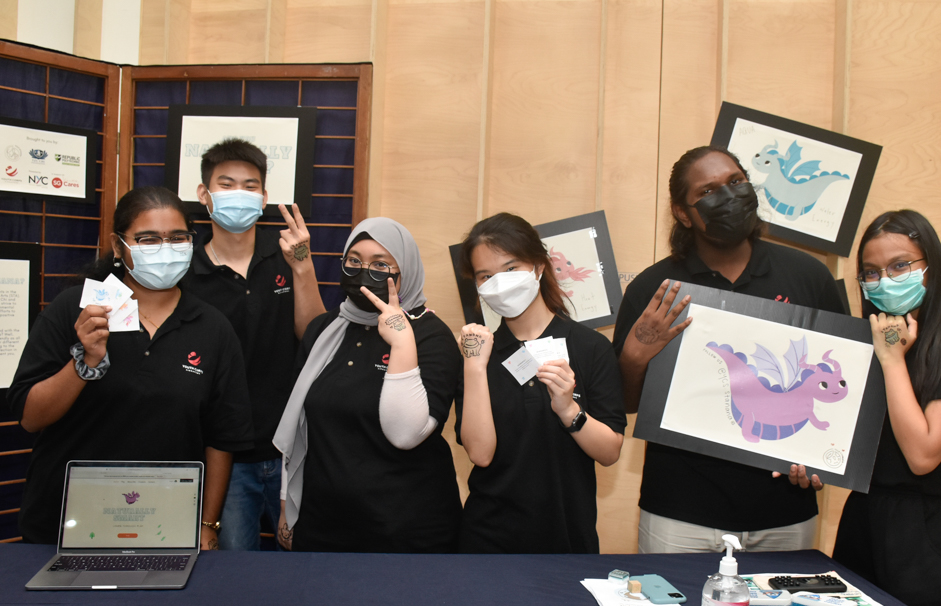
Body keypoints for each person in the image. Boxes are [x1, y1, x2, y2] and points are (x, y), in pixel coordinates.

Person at [612, 146, 845, 554]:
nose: (728, 196)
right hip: (679, 513)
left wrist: (822, 458)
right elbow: (626, 404)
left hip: (785, 511)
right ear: (683, 213)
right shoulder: (655, 289)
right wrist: (636, 354)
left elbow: (842, 383)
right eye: (707, 191)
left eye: (736, 182)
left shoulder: (810, 276)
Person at [8, 186, 253, 548]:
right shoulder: (76, 309)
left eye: (178, 237)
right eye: (148, 239)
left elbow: (222, 438)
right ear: (119, 245)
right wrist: (84, 361)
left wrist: (208, 525)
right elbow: (31, 418)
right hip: (66, 523)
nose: (165, 249)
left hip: (165, 524)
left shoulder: (212, 327)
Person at [831, 210, 941, 606]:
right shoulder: (872, 336)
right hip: (864, 517)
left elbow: (923, 455)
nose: (884, 280)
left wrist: (892, 360)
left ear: (930, 265)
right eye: (871, 272)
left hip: (928, 532)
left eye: (900, 265)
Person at [273, 217, 462, 553]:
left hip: (406, 531)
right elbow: (302, 427)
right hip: (322, 524)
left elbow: (406, 434)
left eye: (380, 265)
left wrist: (401, 342)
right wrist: (289, 503)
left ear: (405, 271)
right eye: (354, 261)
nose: (364, 272)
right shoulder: (325, 330)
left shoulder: (431, 336)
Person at [181, 138, 326, 551]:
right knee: (232, 574)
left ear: (264, 198)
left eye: (250, 186)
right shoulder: (184, 271)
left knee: (304, 565)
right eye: (226, 185)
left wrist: (303, 266)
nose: (238, 194)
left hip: (290, 448)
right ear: (204, 194)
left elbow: (314, 336)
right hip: (222, 457)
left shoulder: (286, 257)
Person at [456, 213, 627, 554]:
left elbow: (610, 452)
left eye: (510, 268)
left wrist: (569, 410)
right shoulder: (479, 353)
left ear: (538, 266)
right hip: (488, 539)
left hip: (567, 536)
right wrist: (475, 367)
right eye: (486, 276)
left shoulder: (590, 347)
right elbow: (480, 454)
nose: (500, 283)